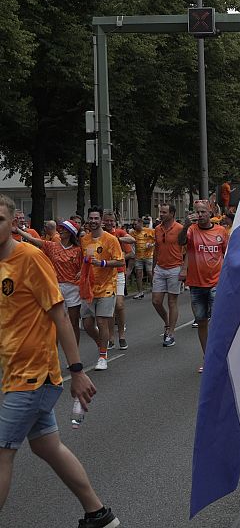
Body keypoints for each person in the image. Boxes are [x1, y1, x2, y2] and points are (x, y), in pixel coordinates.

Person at [0, 196, 120, 528]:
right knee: (47, 447)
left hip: (34, 375)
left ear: (14, 225)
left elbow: (61, 317)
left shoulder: (30, 258)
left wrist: (77, 371)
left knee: (2, 452)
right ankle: (99, 514)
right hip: (14, 373)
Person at [13, 220, 83, 345]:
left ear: (71, 233)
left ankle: (74, 356)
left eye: (64, 229)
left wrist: (82, 271)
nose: (60, 230)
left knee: (73, 323)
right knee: (55, 324)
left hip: (73, 288)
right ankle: (54, 355)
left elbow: (86, 265)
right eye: (60, 228)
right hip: (56, 287)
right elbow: (33, 240)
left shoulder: (78, 250)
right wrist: (17, 230)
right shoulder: (52, 246)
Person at [178, 200, 228, 373]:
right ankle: (207, 358)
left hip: (216, 282)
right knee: (201, 322)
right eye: (197, 212)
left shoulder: (220, 231)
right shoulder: (191, 230)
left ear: (210, 213)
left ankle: (218, 357)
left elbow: (227, 254)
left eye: (203, 212)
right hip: (196, 284)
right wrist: (185, 225)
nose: (199, 215)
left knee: (216, 322)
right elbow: (181, 241)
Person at [80, 207, 124, 371]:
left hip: (107, 286)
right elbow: (84, 260)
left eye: (96, 218)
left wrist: (103, 263)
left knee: (101, 321)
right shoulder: (84, 240)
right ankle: (102, 344)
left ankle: (102, 356)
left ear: (101, 221)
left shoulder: (111, 239)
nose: (93, 221)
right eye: (90, 218)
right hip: (89, 287)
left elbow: (120, 262)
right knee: (87, 324)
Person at [102, 211, 135, 351]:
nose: (109, 223)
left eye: (111, 221)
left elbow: (131, 243)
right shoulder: (99, 234)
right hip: (104, 274)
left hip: (119, 273)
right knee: (110, 307)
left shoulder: (119, 233)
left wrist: (117, 240)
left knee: (119, 305)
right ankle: (110, 337)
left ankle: (121, 335)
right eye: (107, 221)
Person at [152, 203, 184, 347]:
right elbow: (156, 248)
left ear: (172, 214)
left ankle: (170, 333)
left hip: (174, 268)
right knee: (156, 301)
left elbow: (186, 249)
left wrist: (184, 269)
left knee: (172, 302)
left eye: (164, 212)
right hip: (160, 267)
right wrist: (154, 266)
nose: (161, 214)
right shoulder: (157, 229)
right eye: (161, 212)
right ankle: (167, 322)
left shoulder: (179, 229)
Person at [129, 217, 155, 299]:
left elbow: (157, 239)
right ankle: (140, 292)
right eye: (133, 224)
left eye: (136, 224)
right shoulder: (133, 233)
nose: (134, 226)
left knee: (149, 272)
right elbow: (130, 241)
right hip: (138, 256)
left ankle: (155, 288)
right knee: (138, 274)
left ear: (141, 223)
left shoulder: (149, 231)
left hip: (148, 255)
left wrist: (151, 245)